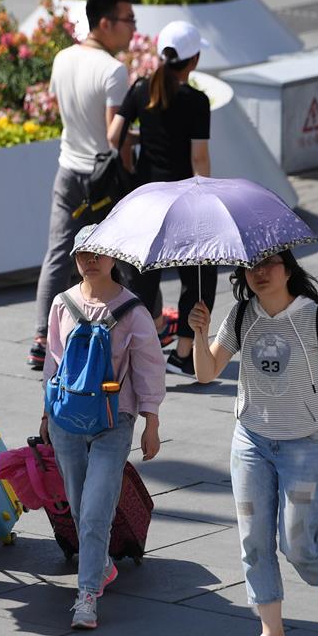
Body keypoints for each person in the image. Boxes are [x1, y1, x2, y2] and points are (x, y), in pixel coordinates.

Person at [188, 251, 318, 636]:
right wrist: (199, 333)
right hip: (251, 441)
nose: (260, 273)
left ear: (288, 268)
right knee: (254, 540)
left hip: (307, 443)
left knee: (298, 544)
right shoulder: (240, 316)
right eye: (252, 267)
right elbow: (206, 372)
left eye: (269, 264)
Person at [40, 224, 165, 630]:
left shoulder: (133, 311)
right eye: (82, 254)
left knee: (94, 511)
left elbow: (149, 368)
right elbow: (53, 365)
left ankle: (87, 594)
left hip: (114, 420)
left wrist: (151, 421)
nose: (90, 261)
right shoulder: (62, 303)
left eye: (97, 253)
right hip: (65, 420)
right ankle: (102, 565)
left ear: (114, 258)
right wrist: (45, 415)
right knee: (79, 505)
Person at [28, 0, 137, 371]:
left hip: (67, 169)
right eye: (128, 20)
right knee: (120, 254)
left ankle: (42, 338)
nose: (133, 29)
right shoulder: (113, 71)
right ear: (105, 23)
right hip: (102, 179)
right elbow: (113, 134)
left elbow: (67, 111)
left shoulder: (63, 58)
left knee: (58, 253)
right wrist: (142, 139)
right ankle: (137, 328)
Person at [107, 20, 215, 377]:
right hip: (184, 200)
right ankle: (184, 353)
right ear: (193, 60)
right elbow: (198, 159)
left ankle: (140, 350)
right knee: (199, 274)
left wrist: (143, 141)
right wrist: (208, 199)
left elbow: (113, 135)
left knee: (143, 276)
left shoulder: (141, 90)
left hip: (146, 198)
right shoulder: (196, 101)